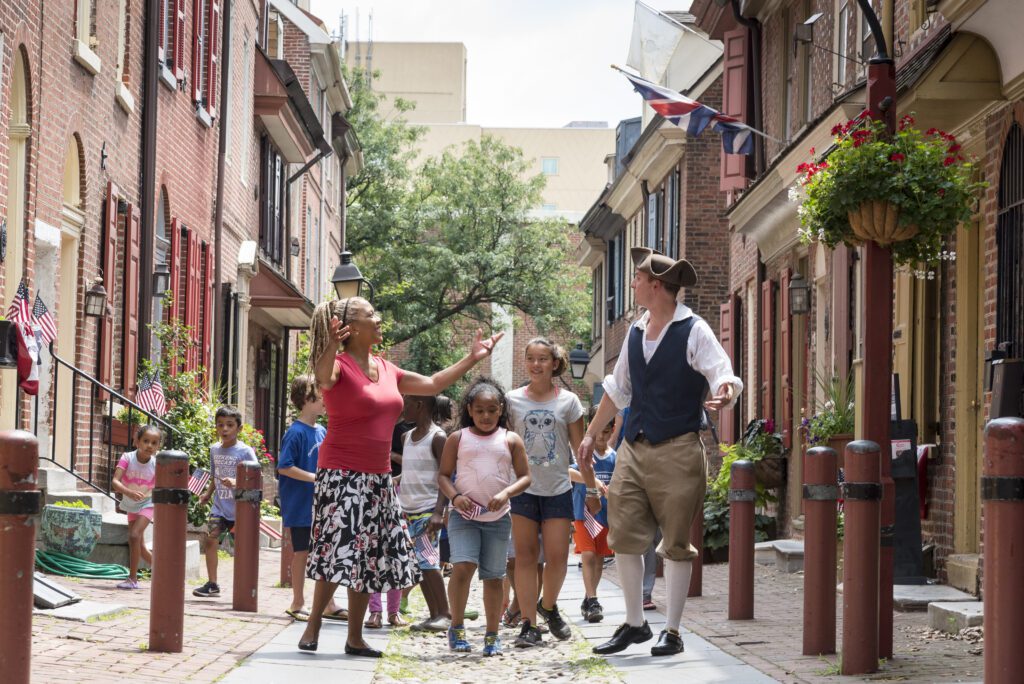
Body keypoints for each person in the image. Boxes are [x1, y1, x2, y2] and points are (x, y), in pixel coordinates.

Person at [298, 297, 502, 659]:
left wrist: (475, 357)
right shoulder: (339, 366)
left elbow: (435, 382)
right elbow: (322, 376)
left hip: (378, 477)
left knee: (370, 556)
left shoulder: (387, 368)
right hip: (342, 474)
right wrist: (330, 342)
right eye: (370, 315)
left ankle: (355, 637)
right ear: (351, 327)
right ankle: (314, 622)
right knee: (337, 551)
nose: (378, 319)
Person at [579, 247, 742, 657]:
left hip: (678, 448)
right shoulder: (636, 330)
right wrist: (591, 433)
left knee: (675, 542)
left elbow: (721, 370)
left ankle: (672, 630)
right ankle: (635, 624)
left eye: (636, 278)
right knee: (626, 536)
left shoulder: (694, 330)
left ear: (656, 285)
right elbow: (618, 389)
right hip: (634, 447)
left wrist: (726, 390)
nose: (631, 283)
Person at [506, 338, 592, 647]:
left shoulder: (568, 402)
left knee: (557, 558)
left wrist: (592, 486)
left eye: (543, 359)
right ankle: (529, 624)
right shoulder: (511, 400)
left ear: (554, 364)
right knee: (526, 558)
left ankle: (548, 605)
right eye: (530, 358)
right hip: (523, 489)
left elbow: (580, 452)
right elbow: (503, 445)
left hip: (557, 488)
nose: (536, 365)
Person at [437, 377, 531, 656]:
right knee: (463, 566)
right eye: (480, 411)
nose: (486, 416)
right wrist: (455, 497)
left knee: (493, 576)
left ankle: (492, 635)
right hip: (463, 516)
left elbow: (526, 477)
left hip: (498, 519)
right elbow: (442, 475)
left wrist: (506, 494)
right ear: (470, 410)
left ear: (501, 409)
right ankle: (457, 627)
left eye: (492, 410)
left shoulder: (510, 439)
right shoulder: (458, 438)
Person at [277, 375, 346, 622]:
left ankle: (328, 603)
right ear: (307, 400)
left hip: (322, 506)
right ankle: (297, 602)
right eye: (321, 396)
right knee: (302, 552)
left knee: (325, 553)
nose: (326, 401)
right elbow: (284, 467)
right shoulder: (295, 433)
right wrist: (316, 478)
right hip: (300, 506)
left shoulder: (322, 431)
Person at [397, 394, 454, 632]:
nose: (403, 407)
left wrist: (439, 512)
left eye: (406, 403)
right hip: (408, 511)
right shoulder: (406, 437)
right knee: (420, 566)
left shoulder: (438, 437)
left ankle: (445, 613)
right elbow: (411, 471)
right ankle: (434, 614)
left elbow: (446, 476)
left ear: (419, 405)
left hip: (427, 510)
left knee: (430, 563)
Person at [193, 406, 260, 598]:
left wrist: (237, 483)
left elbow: (256, 477)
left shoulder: (245, 451)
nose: (225, 429)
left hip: (241, 509)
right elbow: (215, 475)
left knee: (242, 548)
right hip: (220, 507)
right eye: (220, 425)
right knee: (210, 539)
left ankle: (245, 585)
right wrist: (207, 494)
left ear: (239, 429)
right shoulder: (214, 449)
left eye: (230, 425)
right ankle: (212, 583)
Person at [571, 408, 616, 622]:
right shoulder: (582, 452)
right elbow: (568, 471)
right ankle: (593, 598)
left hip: (604, 514)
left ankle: (590, 598)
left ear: (612, 430)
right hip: (583, 512)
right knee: (587, 554)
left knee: (599, 559)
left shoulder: (615, 457)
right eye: (597, 432)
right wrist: (593, 481)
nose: (600, 437)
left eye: (605, 432)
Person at [111, 424, 161, 589]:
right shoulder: (127, 458)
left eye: (154, 443)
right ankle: (165, 571)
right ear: (137, 441)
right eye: (146, 441)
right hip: (130, 502)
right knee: (139, 544)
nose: (149, 446)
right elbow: (115, 482)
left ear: (158, 446)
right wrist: (129, 493)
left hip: (148, 502)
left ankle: (133, 579)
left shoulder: (157, 463)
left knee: (134, 535)